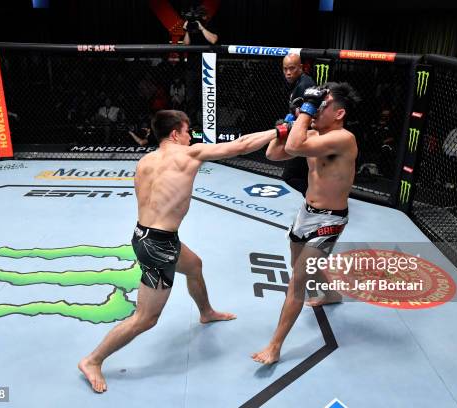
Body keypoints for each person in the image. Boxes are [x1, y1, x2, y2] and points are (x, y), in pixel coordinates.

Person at [79, 110, 278, 392]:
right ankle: (93, 359)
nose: (190, 137)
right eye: (187, 131)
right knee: (146, 319)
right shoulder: (188, 154)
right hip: (159, 246)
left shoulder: (145, 160)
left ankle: (206, 312)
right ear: (175, 133)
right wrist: (279, 132)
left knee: (194, 265)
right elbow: (243, 145)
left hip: (148, 236)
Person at [254, 82, 360, 365]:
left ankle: (274, 346)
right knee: (298, 266)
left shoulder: (343, 138)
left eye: (322, 106)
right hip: (305, 214)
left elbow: (294, 145)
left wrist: (304, 114)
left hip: (330, 220)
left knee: (297, 281)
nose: (315, 110)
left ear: (339, 113)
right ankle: (333, 294)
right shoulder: (314, 134)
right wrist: (290, 121)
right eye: (316, 105)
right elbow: (273, 154)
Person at [281, 53, 316, 196]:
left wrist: (289, 124)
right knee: (301, 174)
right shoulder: (298, 83)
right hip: (303, 135)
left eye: (292, 68)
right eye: (285, 69)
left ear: (300, 67)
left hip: (306, 136)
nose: (288, 73)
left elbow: (310, 116)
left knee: (290, 175)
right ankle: (312, 199)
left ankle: (314, 198)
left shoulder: (304, 85)